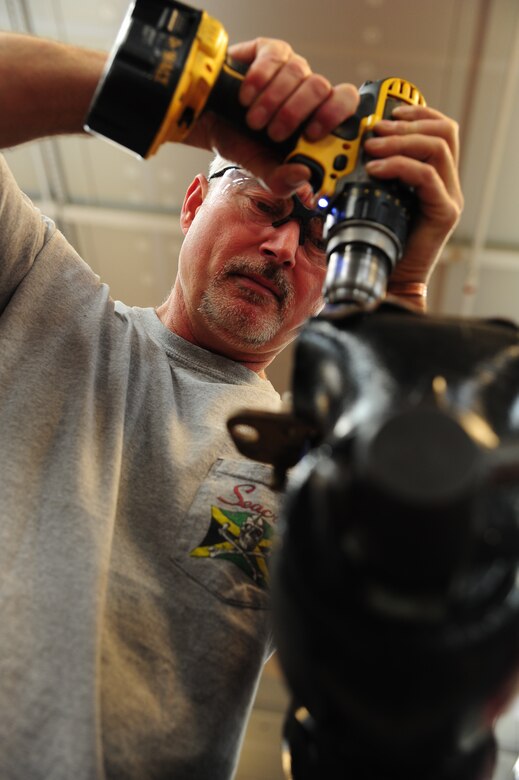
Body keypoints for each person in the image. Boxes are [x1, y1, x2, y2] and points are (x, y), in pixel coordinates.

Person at [0, 28, 462, 780]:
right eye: (264, 203)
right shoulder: (37, 296)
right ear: (193, 202)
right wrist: (197, 101)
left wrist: (399, 292)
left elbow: (409, 666)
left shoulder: (312, 466)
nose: (283, 249)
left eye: (319, 239)